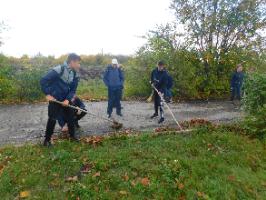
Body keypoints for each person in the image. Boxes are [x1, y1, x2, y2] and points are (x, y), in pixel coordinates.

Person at [40, 53, 81, 147]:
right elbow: (43, 81)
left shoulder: (74, 73)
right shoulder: (59, 70)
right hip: (55, 99)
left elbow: (73, 89)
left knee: (71, 117)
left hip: (66, 99)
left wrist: (67, 99)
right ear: (72, 61)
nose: (79, 65)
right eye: (78, 62)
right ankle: (47, 141)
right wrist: (47, 94)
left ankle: (72, 136)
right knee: (52, 119)